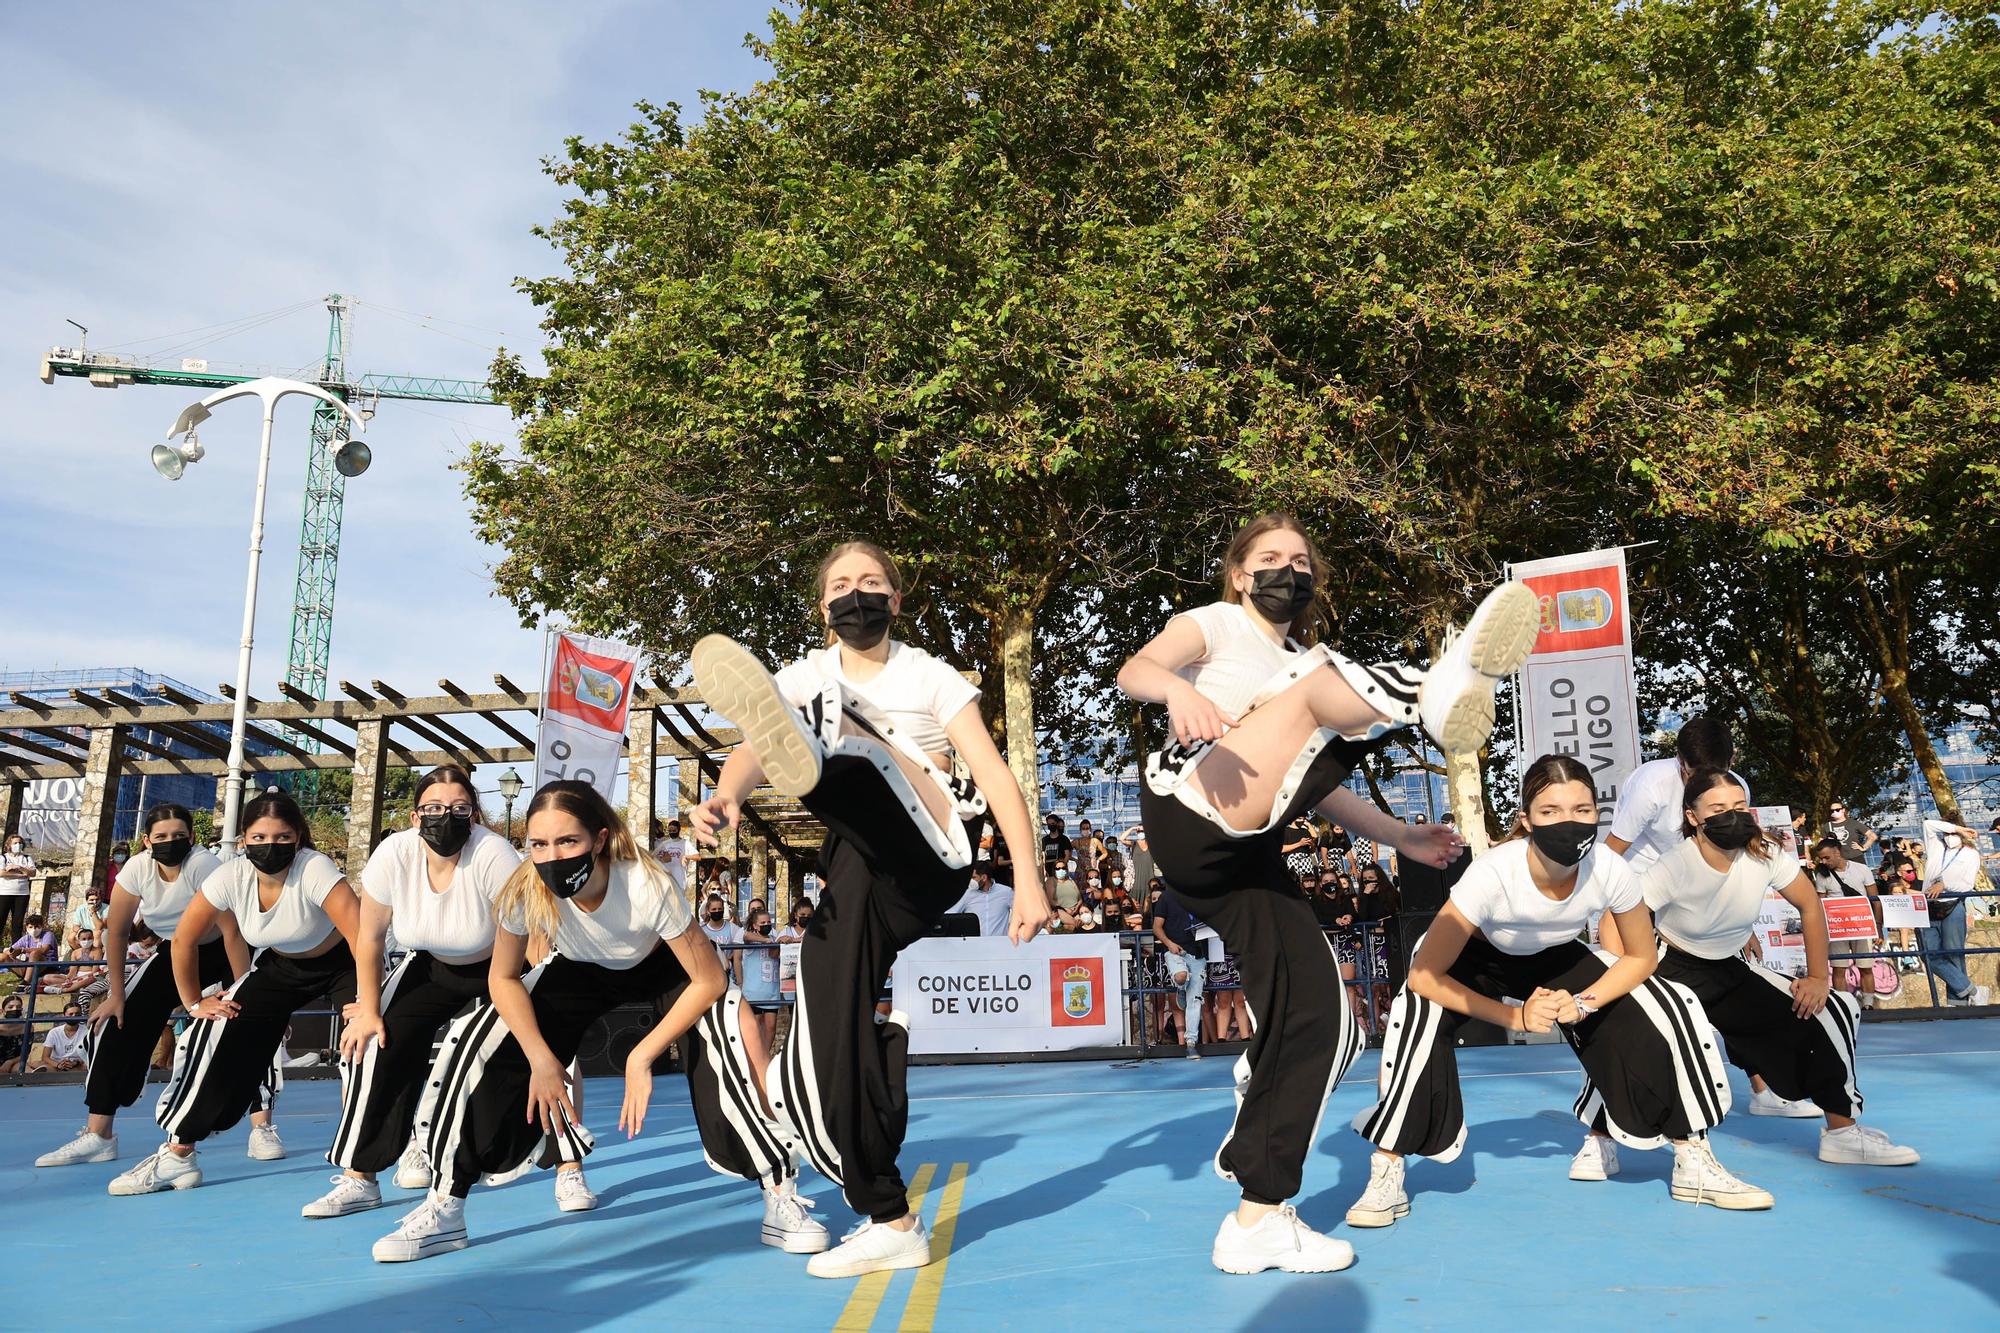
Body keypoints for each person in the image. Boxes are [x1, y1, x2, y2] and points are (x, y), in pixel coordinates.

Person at [1117, 511, 1530, 1274]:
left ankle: (1259, 1211)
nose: (1289, 569)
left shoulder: (1308, 665)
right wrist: (1175, 692)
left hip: (1252, 849)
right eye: (1270, 558)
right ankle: (1445, 677)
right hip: (1192, 810)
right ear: (1239, 574)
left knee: (1323, 1017)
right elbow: (1134, 668)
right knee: (1321, 687)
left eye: (1301, 560)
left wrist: (1400, 835)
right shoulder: (1214, 623)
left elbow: (1317, 785)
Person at [685, 538, 1050, 1279]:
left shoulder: (929, 675)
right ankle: (887, 1211)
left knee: (847, 748)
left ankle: (844, 743)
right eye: (843, 584)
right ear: (824, 607)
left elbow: (998, 777)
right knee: (828, 1012)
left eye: (873, 582)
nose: (858, 593)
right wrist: (727, 794)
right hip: (856, 867)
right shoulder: (805, 673)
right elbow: (756, 743)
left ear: (897, 600)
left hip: (936, 844)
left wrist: (1031, 878)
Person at [1352, 755, 1760, 1231]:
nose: (1570, 822)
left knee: (1662, 1004)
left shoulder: (1609, 868)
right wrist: (1515, 1018)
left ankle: (1692, 1159)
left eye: (1583, 810)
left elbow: (1640, 957)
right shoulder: (1492, 872)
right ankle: (1387, 1168)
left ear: (1597, 814)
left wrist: (1585, 1003)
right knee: (1417, 1013)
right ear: (1526, 819)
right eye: (1551, 812)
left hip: (1553, 953)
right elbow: (1425, 974)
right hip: (1471, 957)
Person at [370, 780, 729, 1263]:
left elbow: (709, 980)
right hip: (580, 967)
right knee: (477, 1039)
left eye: (568, 842)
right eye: (539, 844)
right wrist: (541, 1057)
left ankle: (778, 1187)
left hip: (658, 963)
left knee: (727, 1028)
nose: (553, 855)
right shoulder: (526, 885)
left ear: (600, 839)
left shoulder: (645, 883)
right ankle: (446, 1205)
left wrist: (642, 1055)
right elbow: (503, 978)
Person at [1583, 770, 1917, 1173]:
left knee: (1831, 1010)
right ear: (1693, 816)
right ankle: (1599, 1141)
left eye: (1739, 806)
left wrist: (1816, 978)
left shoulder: (1767, 854)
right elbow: (1612, 922)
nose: (1732, 815)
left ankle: (1843, 1134)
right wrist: (1625, 981)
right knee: (1632, 1034)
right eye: (1718, 808)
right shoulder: (1675, 865)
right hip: (1670, 964)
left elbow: (1810, 907)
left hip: (1728, 966)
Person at [297, 766, 528, 1220]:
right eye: (435, 808)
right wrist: (368, 1007)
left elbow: (520, 936)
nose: (447, 816)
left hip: (499, 965)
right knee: (372, 1042)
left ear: (475, 814)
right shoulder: (393, 854)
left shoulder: (495, 854)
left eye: (460, 808)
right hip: (429, 965)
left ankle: (565, 1164)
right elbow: (369, 936)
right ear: (414, 815)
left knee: (530, 1051)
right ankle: (360, 1176)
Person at [107, 791, 359, 1196]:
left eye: (281, 837)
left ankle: (361, 1167)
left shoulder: (315, 868)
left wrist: (365, 1005)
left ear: (298, 837)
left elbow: (362, 935)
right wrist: (193, 1002)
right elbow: (184, 940)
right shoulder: (230, 875)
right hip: (281, 966)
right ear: (243, 840)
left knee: (362, 1045)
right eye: (259, 838)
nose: (270, 846)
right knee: (216, 1030)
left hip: (344, 961)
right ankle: (179, 1155)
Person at [1605, 717, 1745, 872]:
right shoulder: (1650, 785)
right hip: (1644, 873)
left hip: (1699, 876)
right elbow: (1613, 848)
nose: (1706, 786)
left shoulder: (1737, 790)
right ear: (1680, 760)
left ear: (1732, 760)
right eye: (1696, 776)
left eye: (1718, 776)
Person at [1918, 817, 1987, 1006]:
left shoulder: (1970, 854)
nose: (1950, 836)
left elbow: (1967, 885)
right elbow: (1928, 825)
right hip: (1929, 906)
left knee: (1954, 954)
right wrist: (1956, 828)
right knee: (1928, 954)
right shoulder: (1936, 847)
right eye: (1947, 832)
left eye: (1953, 833)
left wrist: (1944, 885)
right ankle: (1972, 990)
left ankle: (1957, 1002)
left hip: (1952, 905)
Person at [1812, 838, 1883, 1007]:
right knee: (1839, 967)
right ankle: (1844, 1005)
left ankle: (1868, 1004)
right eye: (1821, 858)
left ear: (1837, 852)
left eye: (1826, 858)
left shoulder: (1862, 869)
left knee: (1865, 966)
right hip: (1837, 928)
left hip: (1862, 926)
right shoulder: (1822, 875)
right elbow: (1820, 905)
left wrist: (1878, 927)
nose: (1823, 862)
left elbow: (1876, 900)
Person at [1150, 887, 1206, 1058]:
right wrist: (1169, 944)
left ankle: (1191, 1042)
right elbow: (1157, 927)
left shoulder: (1199, 896)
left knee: (1195, 999)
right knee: (1180, 977)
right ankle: (1180, 988)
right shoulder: (1166, 898)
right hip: (1175, 951)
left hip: (1198, 953)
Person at [739, 905, 783, 1052]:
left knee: (771, 1027)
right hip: (753, 992)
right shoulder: (750, 938)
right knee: (755, 1026)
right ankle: (755, 1054)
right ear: (755, 925)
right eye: (762, 923)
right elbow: (746, 936)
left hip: (771, 991)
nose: (766, 925)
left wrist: (780, 941)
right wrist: (764, 941)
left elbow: (774, 955)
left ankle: (765, 1053)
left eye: (768, 922)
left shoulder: (773, 938)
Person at [946, 864, 1015, 938]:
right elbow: (950, 915)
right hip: (975, 944)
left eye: (973, 877)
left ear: (984, 877)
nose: (970, 881)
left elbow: (1022, 911)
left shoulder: (1006, 892)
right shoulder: (967, 894)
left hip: (999, 944)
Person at [31, 1004, 90, 1072]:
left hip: (77, 1065)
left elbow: (88, 1054)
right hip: (56, 1064)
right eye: (71, 1014)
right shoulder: (54, 1032)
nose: (74, 1016)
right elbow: (45, 1057)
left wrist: (76, 1062)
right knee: (35, 1064)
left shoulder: (86, 1031)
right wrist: (58, 1065)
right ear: (64, 1015)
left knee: (86, 1066)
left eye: (77, 1014)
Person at [2, 913, 59, 980]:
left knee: (35, 953)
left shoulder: (48, 935)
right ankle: (27, 975)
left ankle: (26, 982)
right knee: (2, 956)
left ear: (42, 926)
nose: (34, 929)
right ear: (26, 927)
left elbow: (44, 950)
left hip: (47, 967)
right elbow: (11, 949)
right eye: (31, 927)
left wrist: (23, 950)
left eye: (37, 927)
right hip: (28, 966)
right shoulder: (26, 938)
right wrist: (11, 952)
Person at [0, 833, 32, 943]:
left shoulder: (27, 858)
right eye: (15, 843)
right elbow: (2, 873)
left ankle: (16, 949)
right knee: (1, 920)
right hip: (4, 893)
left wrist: (18, 867)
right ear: (9, 845)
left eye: (20, 843)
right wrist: (20, 875)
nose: (18, 845)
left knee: (17, 923)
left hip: (22, 894)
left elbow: (32, 873)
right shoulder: (3, 857)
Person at [652, 818, 692, 893]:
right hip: (664, 877)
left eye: (673, 831)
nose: (662, 831)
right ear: (655, 829)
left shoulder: (667, 842)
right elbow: (652, 856)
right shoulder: (656, 843)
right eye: (669, 831)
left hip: (678, 878)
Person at [0, 993, 26, 1073]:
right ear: (3, 1011)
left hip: (14, 1063)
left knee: (21, 1068)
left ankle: (35, 1080)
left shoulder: (26, 1028)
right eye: (10, 1007)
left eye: (18, 1007)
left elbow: (25, 1053)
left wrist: (10, 1062)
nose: (14, 1009)